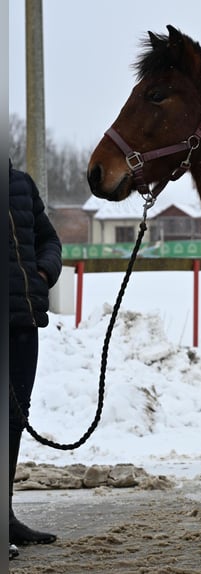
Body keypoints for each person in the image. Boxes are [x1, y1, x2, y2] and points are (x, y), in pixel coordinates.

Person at [8, 159, 62, 552]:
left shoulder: (20, 184)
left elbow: (49, 240)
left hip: (22, 323)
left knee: (12, 422)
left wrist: (42, 273)